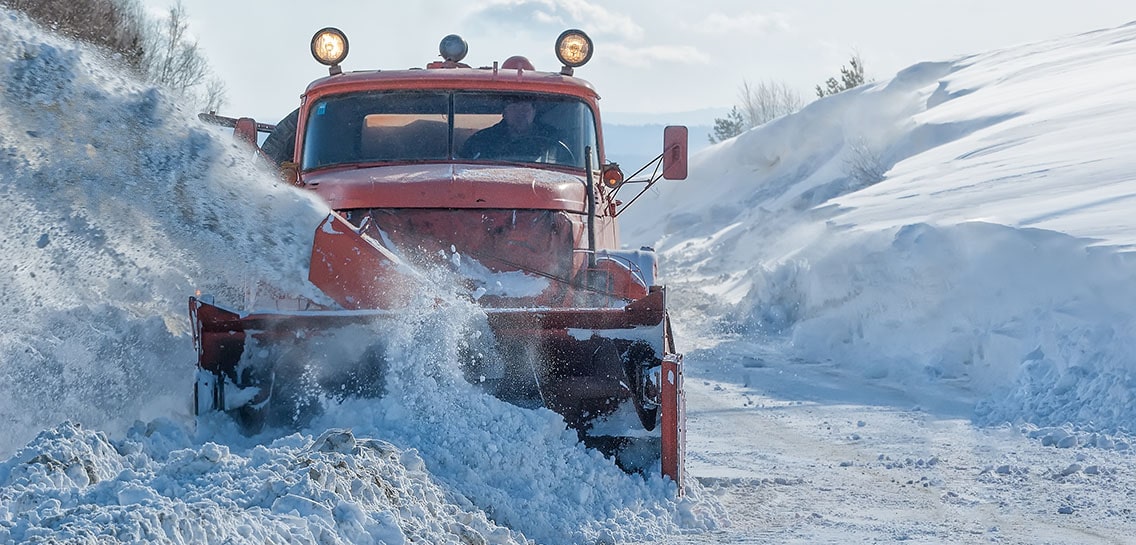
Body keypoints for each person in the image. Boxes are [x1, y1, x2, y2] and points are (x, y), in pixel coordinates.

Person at [460, 100, 569, 162]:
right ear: (504, 113)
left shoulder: (553, 138)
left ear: (534, 112)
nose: (520, 114)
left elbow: (569, 166)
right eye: (514, 108)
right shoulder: (482, 140)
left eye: (525, 109)